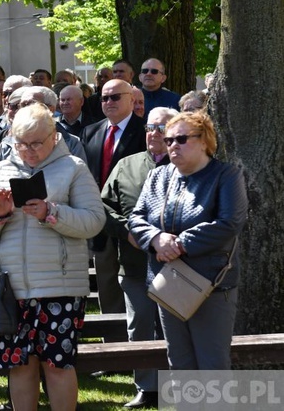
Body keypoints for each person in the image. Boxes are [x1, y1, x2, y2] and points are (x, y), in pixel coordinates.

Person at [0, 103, 105, 411]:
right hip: (11, 289)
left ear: (54, 135)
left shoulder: (73, 167)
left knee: (57, 365)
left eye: (36, 143)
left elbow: (94, 221)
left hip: (60, 287)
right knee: (19, 365)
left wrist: (51, 213)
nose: (28, 151)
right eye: (21, 143)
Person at [129, 112, 248, 370]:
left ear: (204, 141)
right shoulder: (157, 177)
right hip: (167, 283)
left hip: (210, 285)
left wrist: (180, 244)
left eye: (181, 139)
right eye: (168, 139)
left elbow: (229, 222)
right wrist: (156, 238)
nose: (172, 145)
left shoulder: (226, 176)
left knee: (212, 365)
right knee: (180, 364)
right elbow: (136, 219)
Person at [101, 107, 179, 408]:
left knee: (173, 328)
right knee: (140, 326)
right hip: (134, 265)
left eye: (161, 128)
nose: (153, 133)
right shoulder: (126, 165)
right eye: (149, 127)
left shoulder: (186, 166)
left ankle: (176, 386)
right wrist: (125, 232)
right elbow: (104, 207)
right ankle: (147, 388)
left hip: (177, 266)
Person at [81, 79, 146, 316]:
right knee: (107, 287)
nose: (108, 102)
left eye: (115, 97)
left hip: (132, 223)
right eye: (104, 97)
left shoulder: (145, 130)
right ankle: (112, 345)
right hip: (100, 221)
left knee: (135, 289)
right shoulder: (91, 131)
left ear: (131, 98)